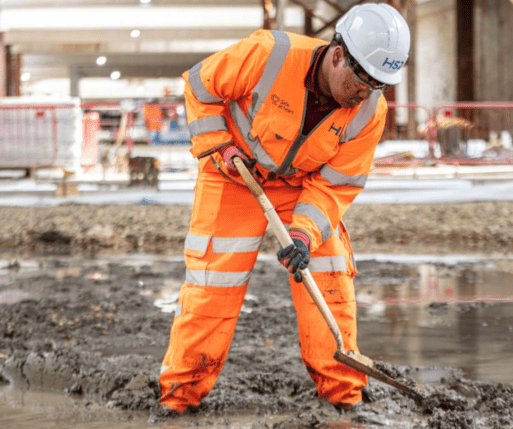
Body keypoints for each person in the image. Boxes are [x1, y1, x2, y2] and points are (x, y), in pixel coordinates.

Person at [159, 3, 410, 414]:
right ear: (337, 54)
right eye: (362, 79)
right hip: (234, 174)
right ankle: (179, 398)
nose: (365, 93)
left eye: (378, 85)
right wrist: (218, 145)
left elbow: (336, 184)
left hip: (302, 185)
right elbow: (200, 87)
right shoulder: (268, 54)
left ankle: (343, 398)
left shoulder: (369, 111)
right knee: (212, 289)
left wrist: (303, 234)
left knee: (329, 279)